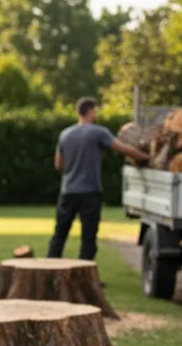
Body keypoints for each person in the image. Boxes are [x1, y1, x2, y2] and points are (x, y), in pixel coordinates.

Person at [48, 97, 149, 260]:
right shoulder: (98, 132)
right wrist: (146, 157)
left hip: (68, 191)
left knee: (60, 233)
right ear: (90, 111)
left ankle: (50, 270)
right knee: (88, 237)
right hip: (89, 192)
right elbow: (122, 149)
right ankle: (84, 275)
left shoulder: (65, 134)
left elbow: (59, 164)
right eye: (96, 110)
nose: (97, 113)